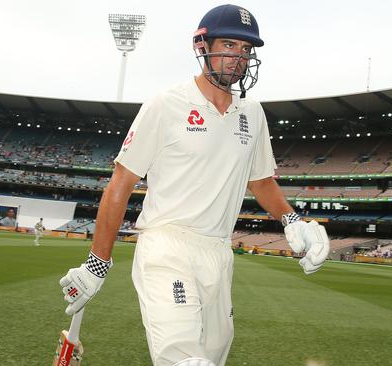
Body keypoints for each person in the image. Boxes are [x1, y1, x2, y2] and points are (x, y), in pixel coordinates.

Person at [58, 5, 331, 366]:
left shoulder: (253, 114)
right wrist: (97, 263)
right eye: (230, 45)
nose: (238, 58)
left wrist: (292, 220)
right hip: (166, 247)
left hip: (218, 253)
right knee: (185, 360)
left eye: (246, 50)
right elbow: (120, 185)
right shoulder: (166, 104)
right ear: (202, 46)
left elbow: (261, 180)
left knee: (212, 359)